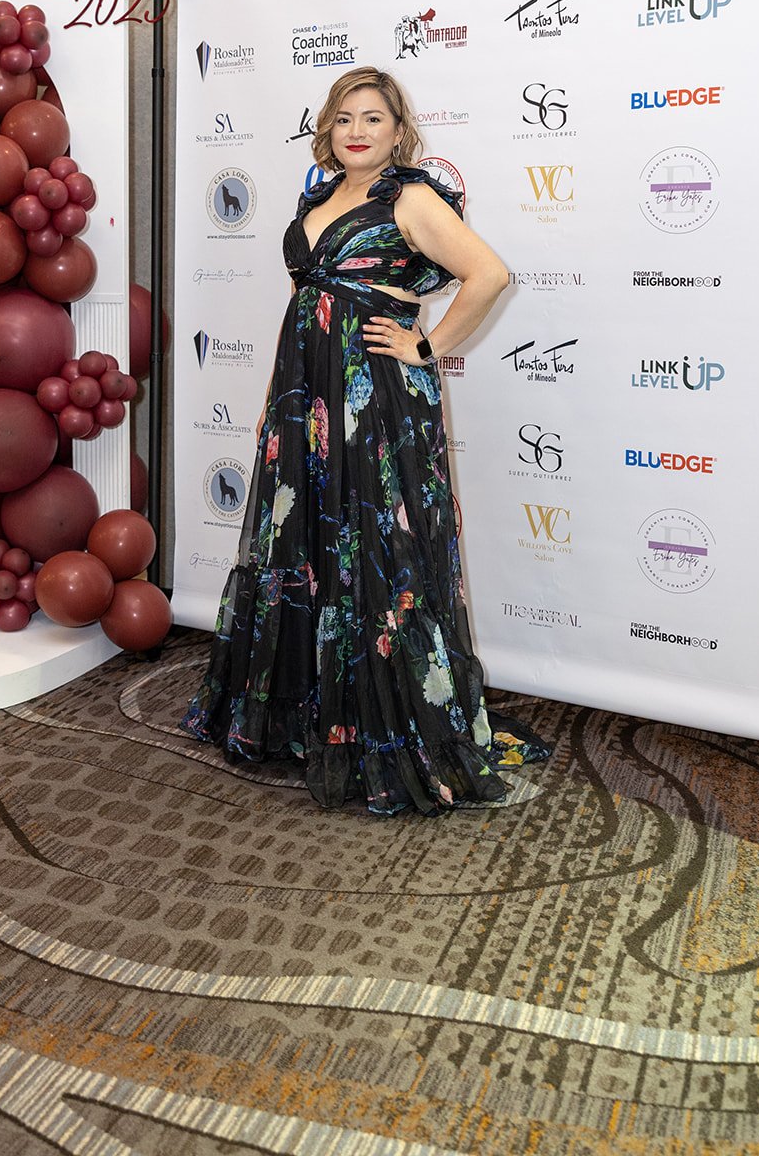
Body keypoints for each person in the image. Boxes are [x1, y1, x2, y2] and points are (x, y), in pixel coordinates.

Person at [182, 66, 551, 815]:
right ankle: (312, 716)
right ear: (328, 127)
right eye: (345, 117)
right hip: (305, 395)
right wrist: (278, 402)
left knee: (376, 542)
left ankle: (386, 728)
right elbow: (305, 300)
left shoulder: (408, 198)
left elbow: (487, 274)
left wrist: (427, 344)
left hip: (374, 394)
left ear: (397, 131)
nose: (357, 130)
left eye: (373, 118)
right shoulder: (317, 198)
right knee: (308, 544)